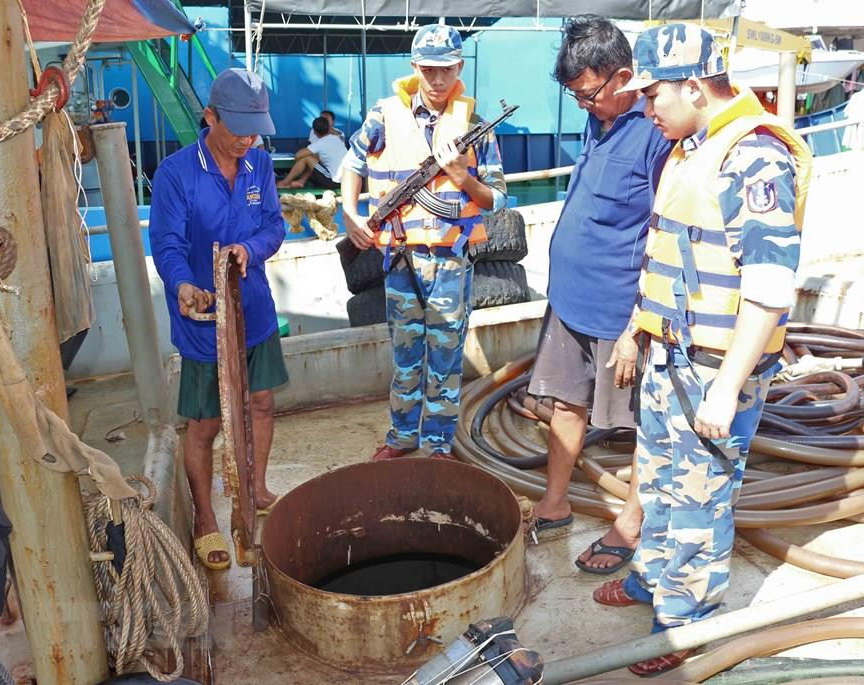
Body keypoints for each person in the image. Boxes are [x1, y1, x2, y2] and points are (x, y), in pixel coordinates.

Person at [592, 24, 812, 676]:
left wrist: (726, 385)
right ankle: (652, 580)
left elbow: (771, 287)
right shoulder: (694, 146)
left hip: (715, 369)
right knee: (658, 479)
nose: (646, 106)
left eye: (655, 93)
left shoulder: (755, 157)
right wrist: (639, 327)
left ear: (694, 85)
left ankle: (683, 623)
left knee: (700, 498)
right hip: (671, 355)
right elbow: (673, 254)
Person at [527, 15, 672, 575]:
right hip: (571, 303)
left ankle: (629, 525)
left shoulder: (656, 134)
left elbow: (665, 236)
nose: (583, 105)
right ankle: (555, 502)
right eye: (575, 96)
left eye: (588, 94)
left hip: (619, 312)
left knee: (641, 425)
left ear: (624, 78)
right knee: (567, 404)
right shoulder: (600, 119)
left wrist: (641, 325)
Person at [340, 23, 507, 461]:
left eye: (447, 70)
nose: (438, 81)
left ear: (459, 68)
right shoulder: (383, 114)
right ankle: (400, 437)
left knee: (447, 356)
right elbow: (353, 165)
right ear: (415, 67)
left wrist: (460, 177)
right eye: (430, 70)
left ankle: (436, 443)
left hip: (451, 260)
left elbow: (496, 199)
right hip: (401, 258)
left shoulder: (473, 124)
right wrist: (351, 213)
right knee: (406, 353)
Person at [149, 68, 288, 571]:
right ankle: (206, 516)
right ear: (210, 117)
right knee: (206, 422)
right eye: (239, 128)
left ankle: (256, 488)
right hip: (203, 315)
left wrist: (249, 249)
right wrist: (183, 286)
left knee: (262, 402)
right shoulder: (176, 173)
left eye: (256, 129)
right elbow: (164, 243)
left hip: (253, 307)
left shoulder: (261, 166)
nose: (249, 139)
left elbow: (275, 226)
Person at [277, 115, 347, 190]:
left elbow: (298, 155)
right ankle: (301, 181)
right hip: (347, 180)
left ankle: (285, 183)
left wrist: (300, 163)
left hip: (334, 181)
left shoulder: (321, 143)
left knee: (307, 158)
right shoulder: (337, 139)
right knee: (314, 159)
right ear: (329, 128)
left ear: (314, 132)